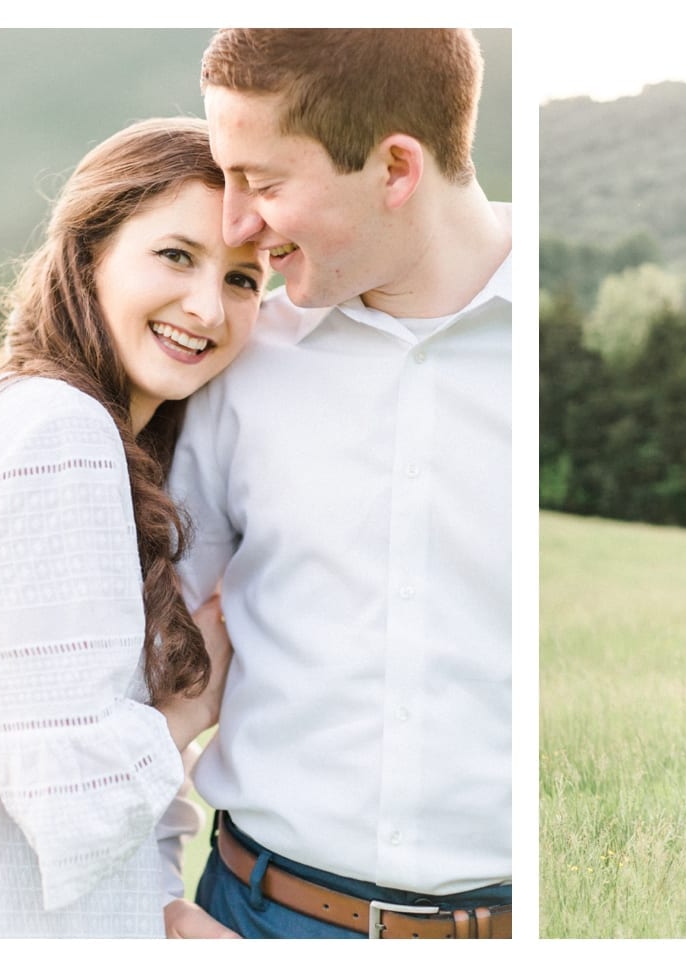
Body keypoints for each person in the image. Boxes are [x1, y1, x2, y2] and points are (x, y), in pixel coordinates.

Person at [0, 117, 266, 937]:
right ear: (90, 251)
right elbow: (72, 797)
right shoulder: (57, 433)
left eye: (245, 279)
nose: (207, 306)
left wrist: (158, 915)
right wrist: (192, 704)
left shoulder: (27, 413)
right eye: (176, 255)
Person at [162, 29, 512, 939]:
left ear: (396, 166)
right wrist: (148, 905)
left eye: (266, 183)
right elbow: (137, 673)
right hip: (251, 915)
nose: (236, 223)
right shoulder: (234, 362)